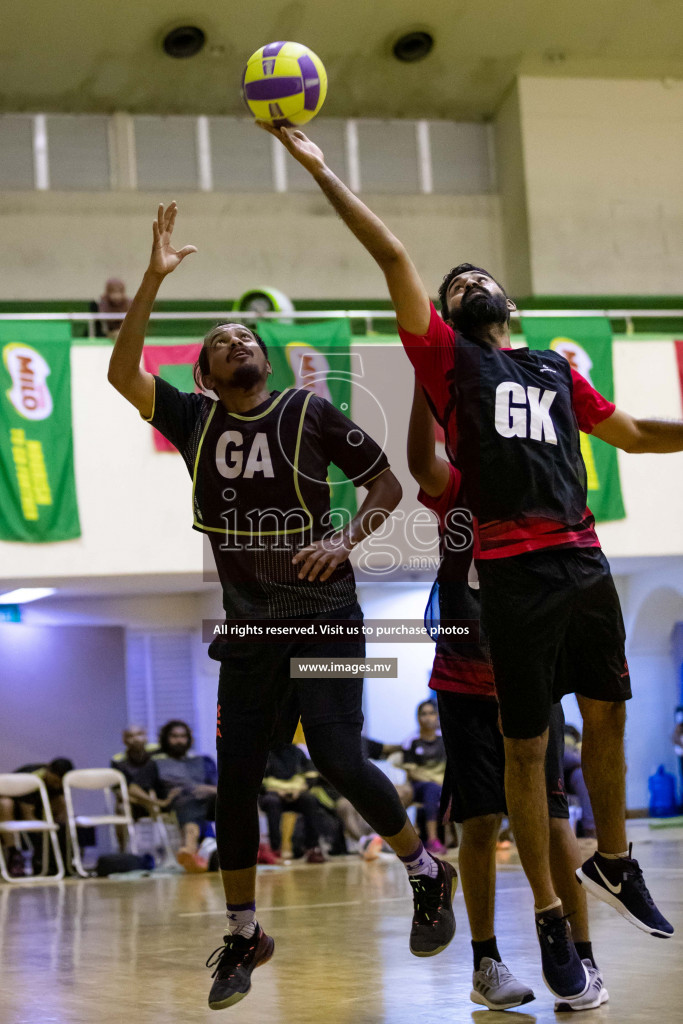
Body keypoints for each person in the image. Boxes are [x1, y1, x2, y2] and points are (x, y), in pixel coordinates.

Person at [265, 123, 680, 1002]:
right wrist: (322, 169)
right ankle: (517, 937)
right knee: (520, 759)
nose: (462, 281)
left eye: (472, 277)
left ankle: (611, 861)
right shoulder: (450, 363)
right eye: (450, 287)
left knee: (606, 712)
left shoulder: (555, 371)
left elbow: (638, 434)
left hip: (582, 556)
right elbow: (393, 256)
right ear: (445, 323)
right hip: (508, 583)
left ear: (509, 302)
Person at [107, 203, 457, 1011]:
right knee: (235, 781)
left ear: (264, 361)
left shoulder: (309, 411)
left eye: (248, 337)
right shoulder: (193, 420)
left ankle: (423, 871)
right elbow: (121, 375)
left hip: (329, 612)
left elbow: (385, 485)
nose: (238, 339)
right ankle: (243, 934)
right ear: (203, 374)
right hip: (253, 629)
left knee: (336, 757)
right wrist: (152, 283)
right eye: (222, 339)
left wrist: (347, 542)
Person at [408, 377, 607, 1011]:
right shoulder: (456, 487)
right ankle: (486, 962)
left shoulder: (541, 486)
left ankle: (582, 958)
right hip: (465, 676)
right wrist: (422, 376)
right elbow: (418, 461)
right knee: (479, 821)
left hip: (531, 673)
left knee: (553, 821)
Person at [152, 720, 217, 872]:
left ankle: (193, 849)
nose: (179, 740)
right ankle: (196, 847)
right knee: (189, 800)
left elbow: (221, 787)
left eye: (182, 736)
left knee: (228, 800)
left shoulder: (203, 761)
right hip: (180, 804)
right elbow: (140, 789)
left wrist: (208, 789)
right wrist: (162, 802)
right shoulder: (156, 764)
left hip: (210, 802)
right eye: (174, 736)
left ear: (189, 739)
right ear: (165, 739)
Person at [0, 758, 74, 875]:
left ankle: (64, 854)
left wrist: (61, 826)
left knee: (61, 803)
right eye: (55, 782)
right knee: (5, 803)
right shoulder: (31, 777)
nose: (57, 785)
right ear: (48, 771)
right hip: (12, 809)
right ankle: (14, 853)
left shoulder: (60, 782)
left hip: (36, 807)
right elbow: (28, 816)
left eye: (59, 783)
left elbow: (60, 805)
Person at [259, 743, 326, 862]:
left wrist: (300, 789)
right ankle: (275, 849)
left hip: (296, 793)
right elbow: (256, 780)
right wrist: (276, 791)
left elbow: (311, 773)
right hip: (272, 793)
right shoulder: (264, 752)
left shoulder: (297, 752)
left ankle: (312, 848)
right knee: (272, 802)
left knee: (310, 800)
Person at [402, 700, 447, 856]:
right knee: (432, 790)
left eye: (431, 713)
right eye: (423, 714)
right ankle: (432, 840)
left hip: (444, 784)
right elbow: (411, 772)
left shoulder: (445, 739)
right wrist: (434, 780)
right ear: (418, 718)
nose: (428, 717)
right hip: (420, 786)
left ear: (437, 717)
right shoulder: (411, 741)